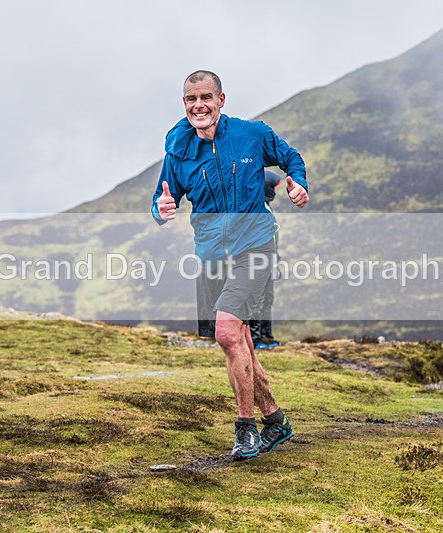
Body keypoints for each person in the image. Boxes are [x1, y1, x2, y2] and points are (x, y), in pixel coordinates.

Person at [152, 70, 309, 461]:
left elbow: (291, 157)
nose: (199, 105)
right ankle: (275, 420)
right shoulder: (178, 149)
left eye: (206, 97)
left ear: (221, 100)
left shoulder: (251, 134)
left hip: (255, 245)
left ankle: (245, 430)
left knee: (226, 333)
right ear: (184, 104)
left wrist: (296, 181)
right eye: (191, 99)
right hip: (211, 255)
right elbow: (161, 197)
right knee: (240, 340)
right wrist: (161, 208)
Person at [250, 170, 283, 349]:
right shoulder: (258, 210)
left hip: (268, 263)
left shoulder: (264, 207)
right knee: (258, 299)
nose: (276, 192)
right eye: (273, 187)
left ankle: (266, 337)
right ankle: (256, 340)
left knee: (267, 299)